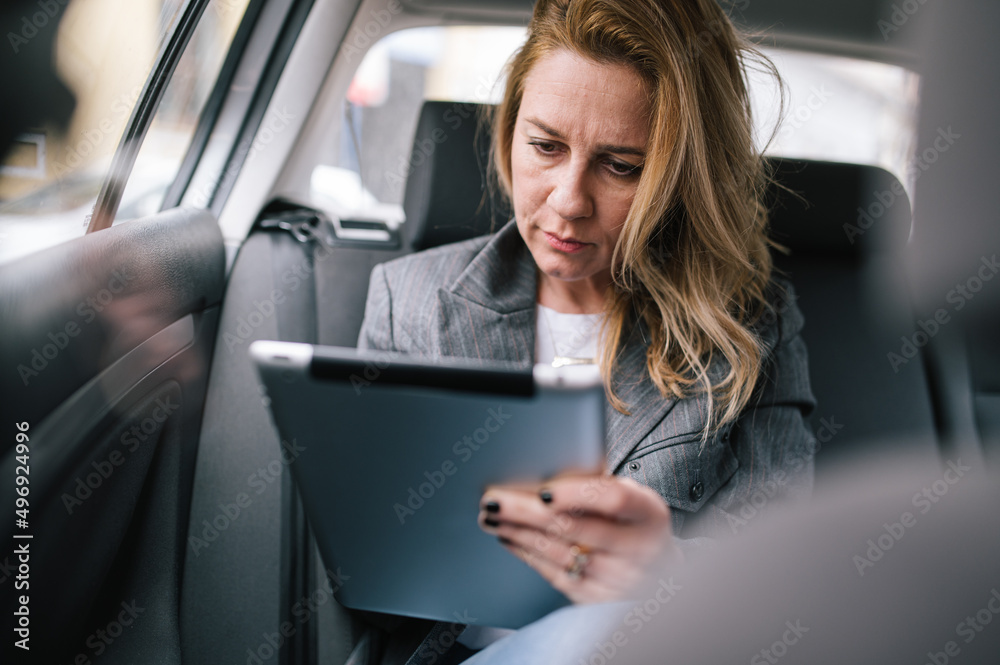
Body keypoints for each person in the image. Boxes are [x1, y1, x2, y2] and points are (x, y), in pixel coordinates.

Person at [356, 0, 815, 660]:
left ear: (680, 177)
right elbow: (369, 581)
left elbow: (782, 579)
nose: (569, 201)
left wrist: (667, 570)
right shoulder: (412, 301)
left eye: (621, 165)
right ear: (510, 128)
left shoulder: (752, 327)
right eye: (545, 146)